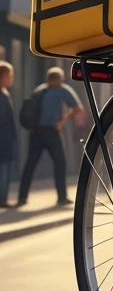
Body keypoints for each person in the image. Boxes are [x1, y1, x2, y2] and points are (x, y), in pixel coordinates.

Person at [17, 66, 84, 207]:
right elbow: (77, 108)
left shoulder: (41, 89)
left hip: (39, 132)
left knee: (33, 164)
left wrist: (61, 122)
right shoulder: (61, 90)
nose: (54, 83)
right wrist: (62, 122)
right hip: (48, 132)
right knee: (57, 163)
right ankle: (61, 197)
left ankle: (23, 197)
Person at [0, 61, 17, 208]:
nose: (11, 78)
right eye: (9, 75)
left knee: (6, 168)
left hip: (6, 137)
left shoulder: (5, 93)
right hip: (3, 138)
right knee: (4, 169)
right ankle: (2, 199)